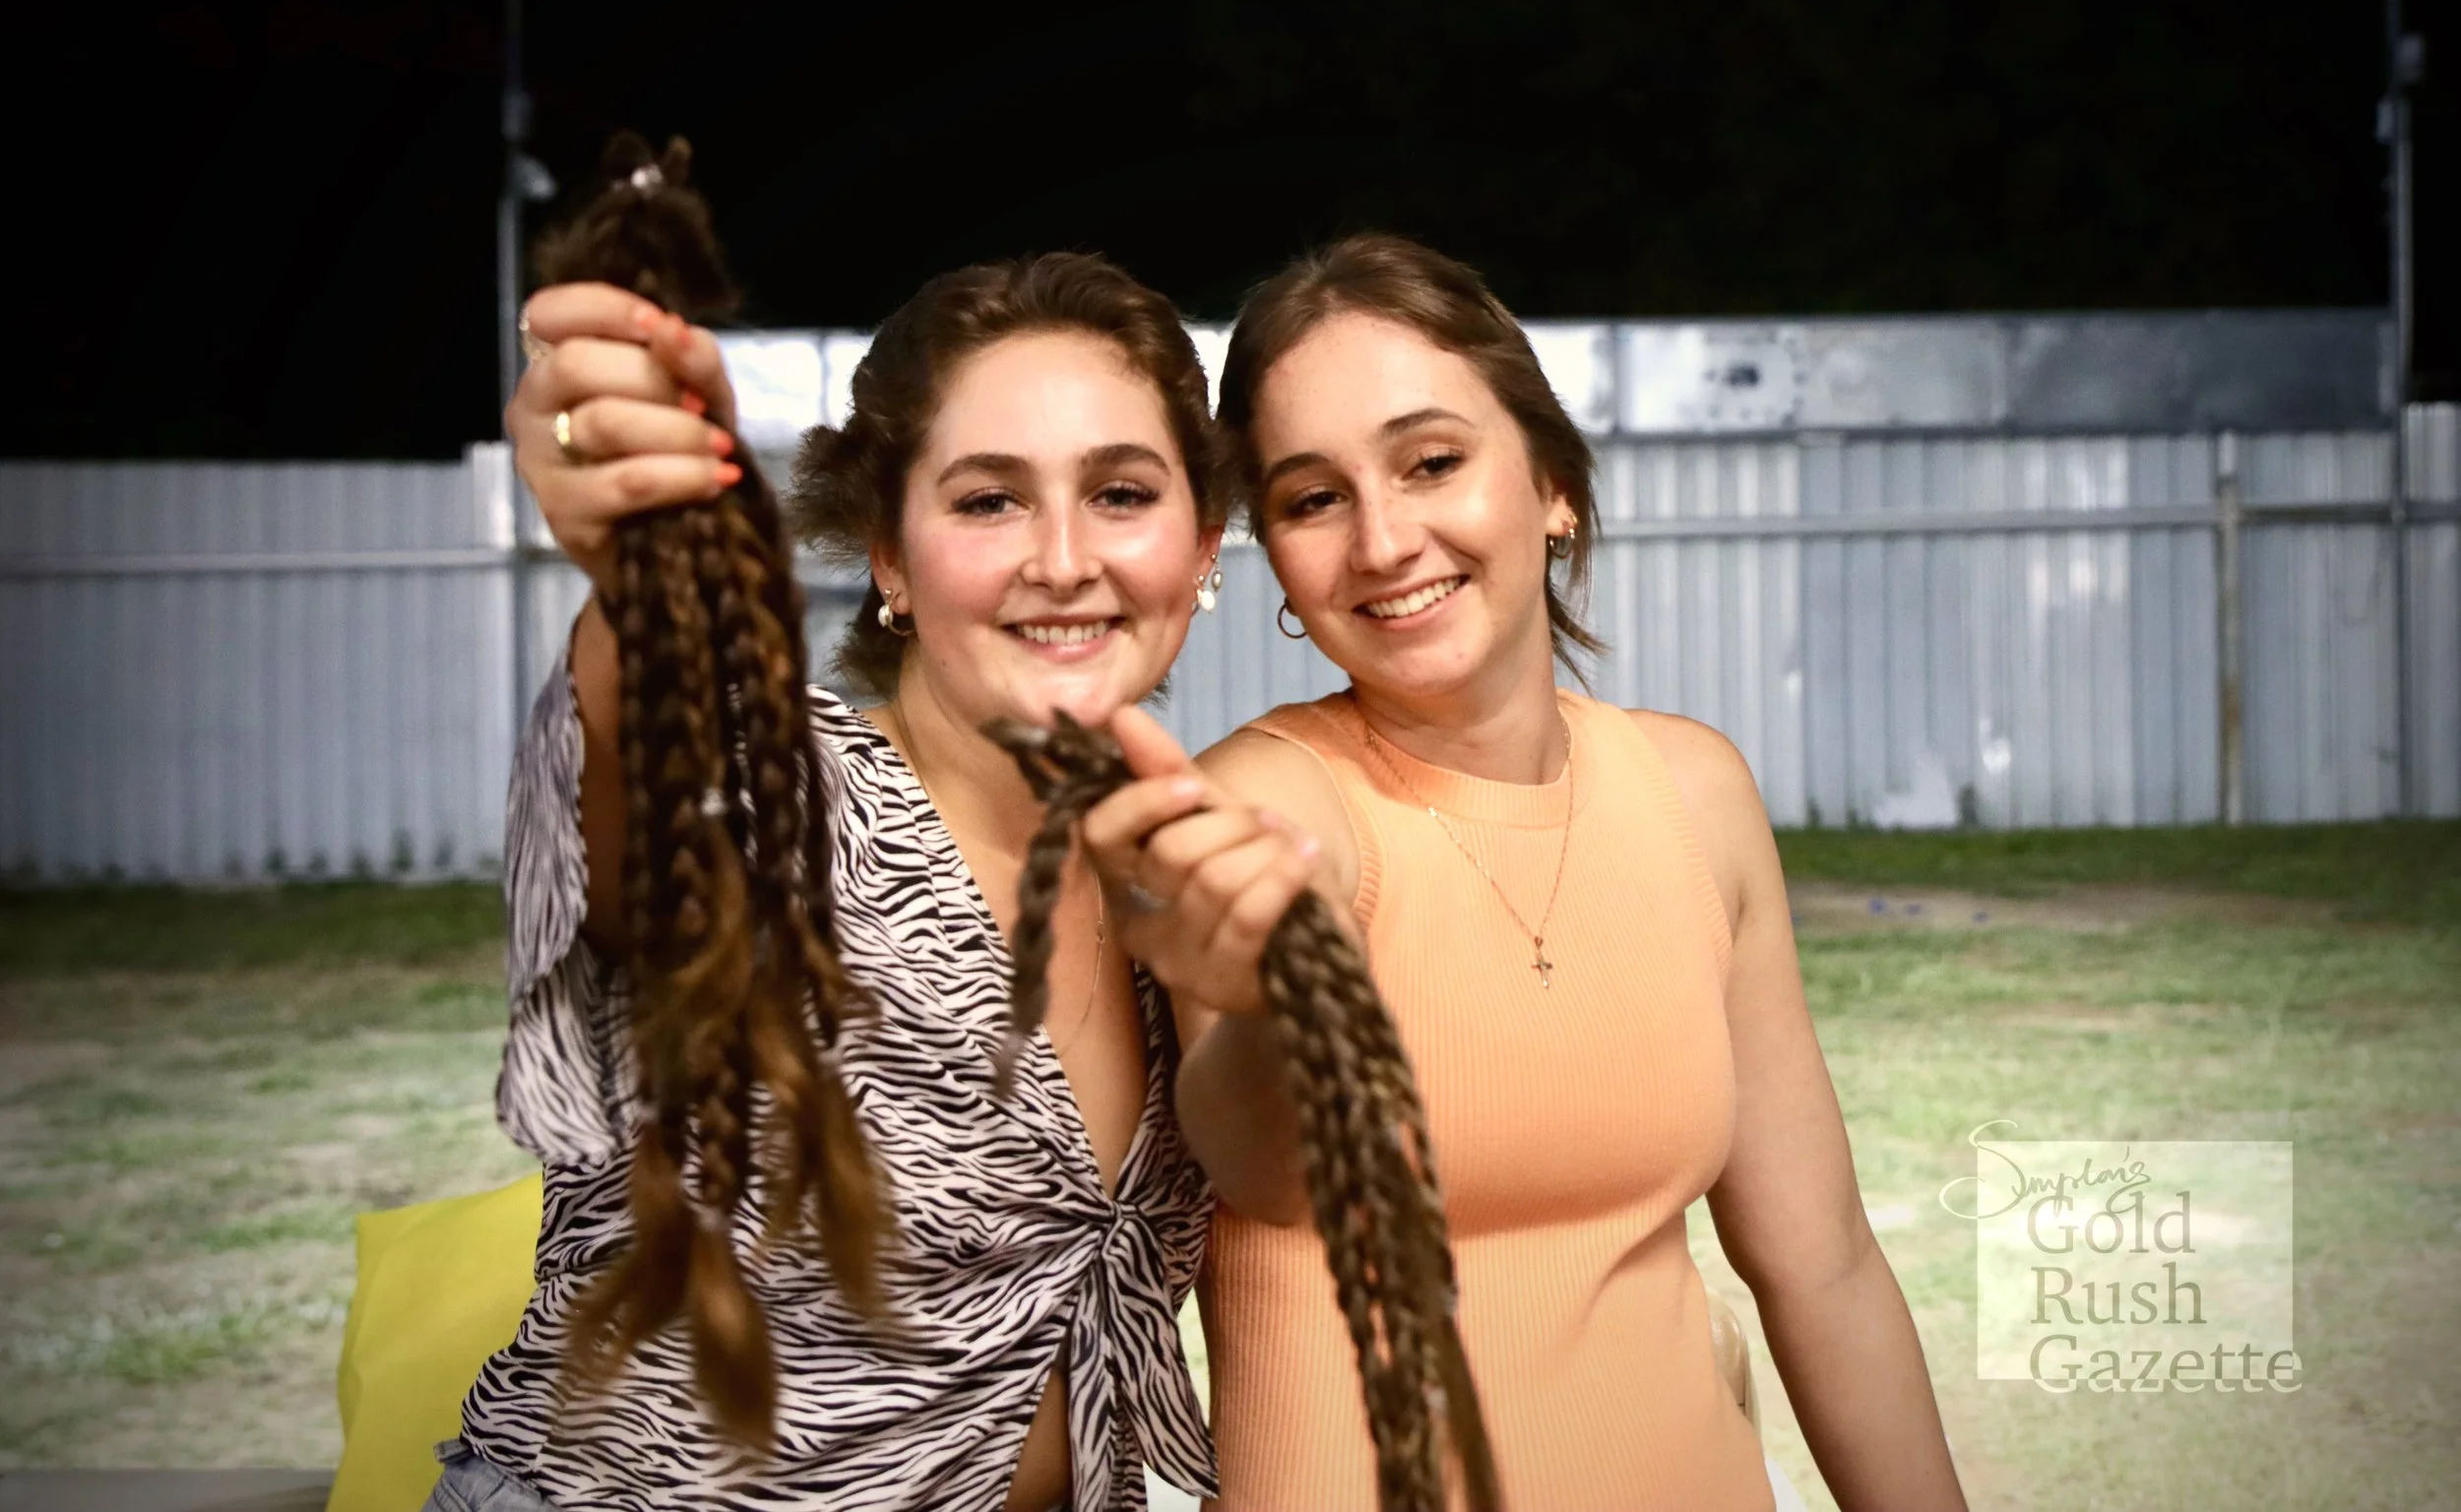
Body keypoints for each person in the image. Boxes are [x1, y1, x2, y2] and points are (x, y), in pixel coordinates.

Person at [1082, 233, 1969, 1511]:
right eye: (1313, 496)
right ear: (1271, 552)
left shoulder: (1694, 794)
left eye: (1431, 461)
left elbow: (1821, 1261)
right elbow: (1264, 1162)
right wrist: (1277, 991)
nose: (1384, 538)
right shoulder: (1263, 802)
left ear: (1552, 480)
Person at [438, 251, 1234, 1512]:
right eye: (987, 502)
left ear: (1202, 543)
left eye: (1121, 491)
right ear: (890, 559)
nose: (1063, 557)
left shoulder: (1185, 858)